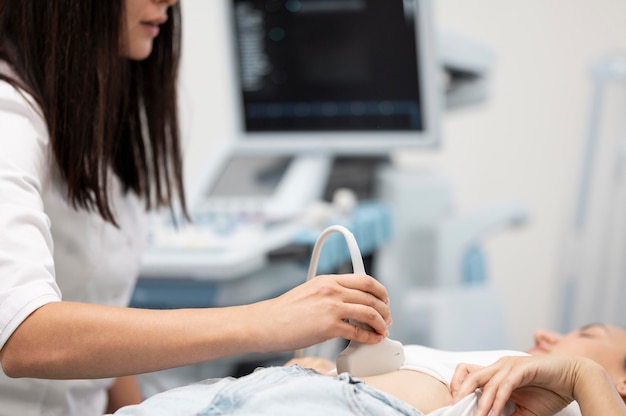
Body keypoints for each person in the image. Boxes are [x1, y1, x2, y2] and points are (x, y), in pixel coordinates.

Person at [0, 1, 391, 415]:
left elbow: (103, 336)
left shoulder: (90, 120)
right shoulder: (10, 119)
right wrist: (266, 321)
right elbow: (23, 336)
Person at [106, 324, 626, 415]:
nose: (545, 338)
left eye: (587, 334)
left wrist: (584, 375)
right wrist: (315, 374)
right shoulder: (507, 366)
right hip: (275, 391)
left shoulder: (578, 399)